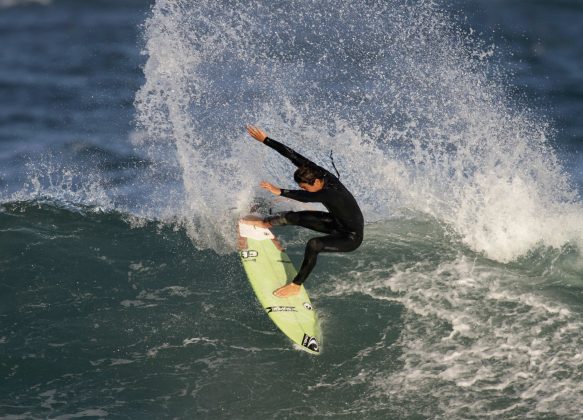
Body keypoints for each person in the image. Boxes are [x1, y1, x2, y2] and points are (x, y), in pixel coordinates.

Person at [244, 125, 364, 297]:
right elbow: (292, 155)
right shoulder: (315, 173)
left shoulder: (331, 193)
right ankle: (264, 224)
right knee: (292, 216)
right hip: (336, 223)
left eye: (305, 187)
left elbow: (306, 198)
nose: (305, 189)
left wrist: (281, 191)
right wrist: (266, 140)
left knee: (314, 244)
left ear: (315, 183)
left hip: (350, 237)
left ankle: (296, 285)